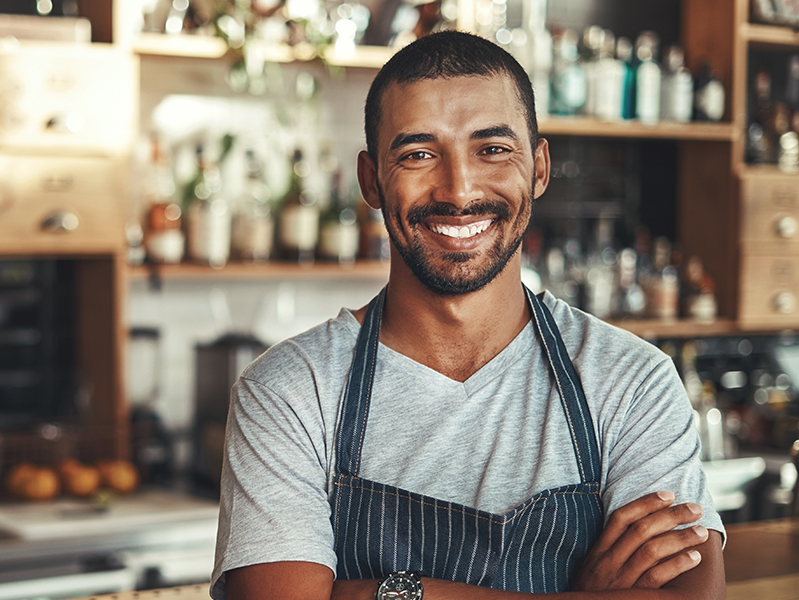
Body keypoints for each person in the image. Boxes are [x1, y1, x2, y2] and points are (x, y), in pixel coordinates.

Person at [212, 30, 725, 600]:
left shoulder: (631, 381)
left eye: (493, 149)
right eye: (418, 154)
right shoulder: (288, 392)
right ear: (370, 181)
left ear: (539, 168)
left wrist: (379, 592)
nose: (458, 190)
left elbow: (691, 595)